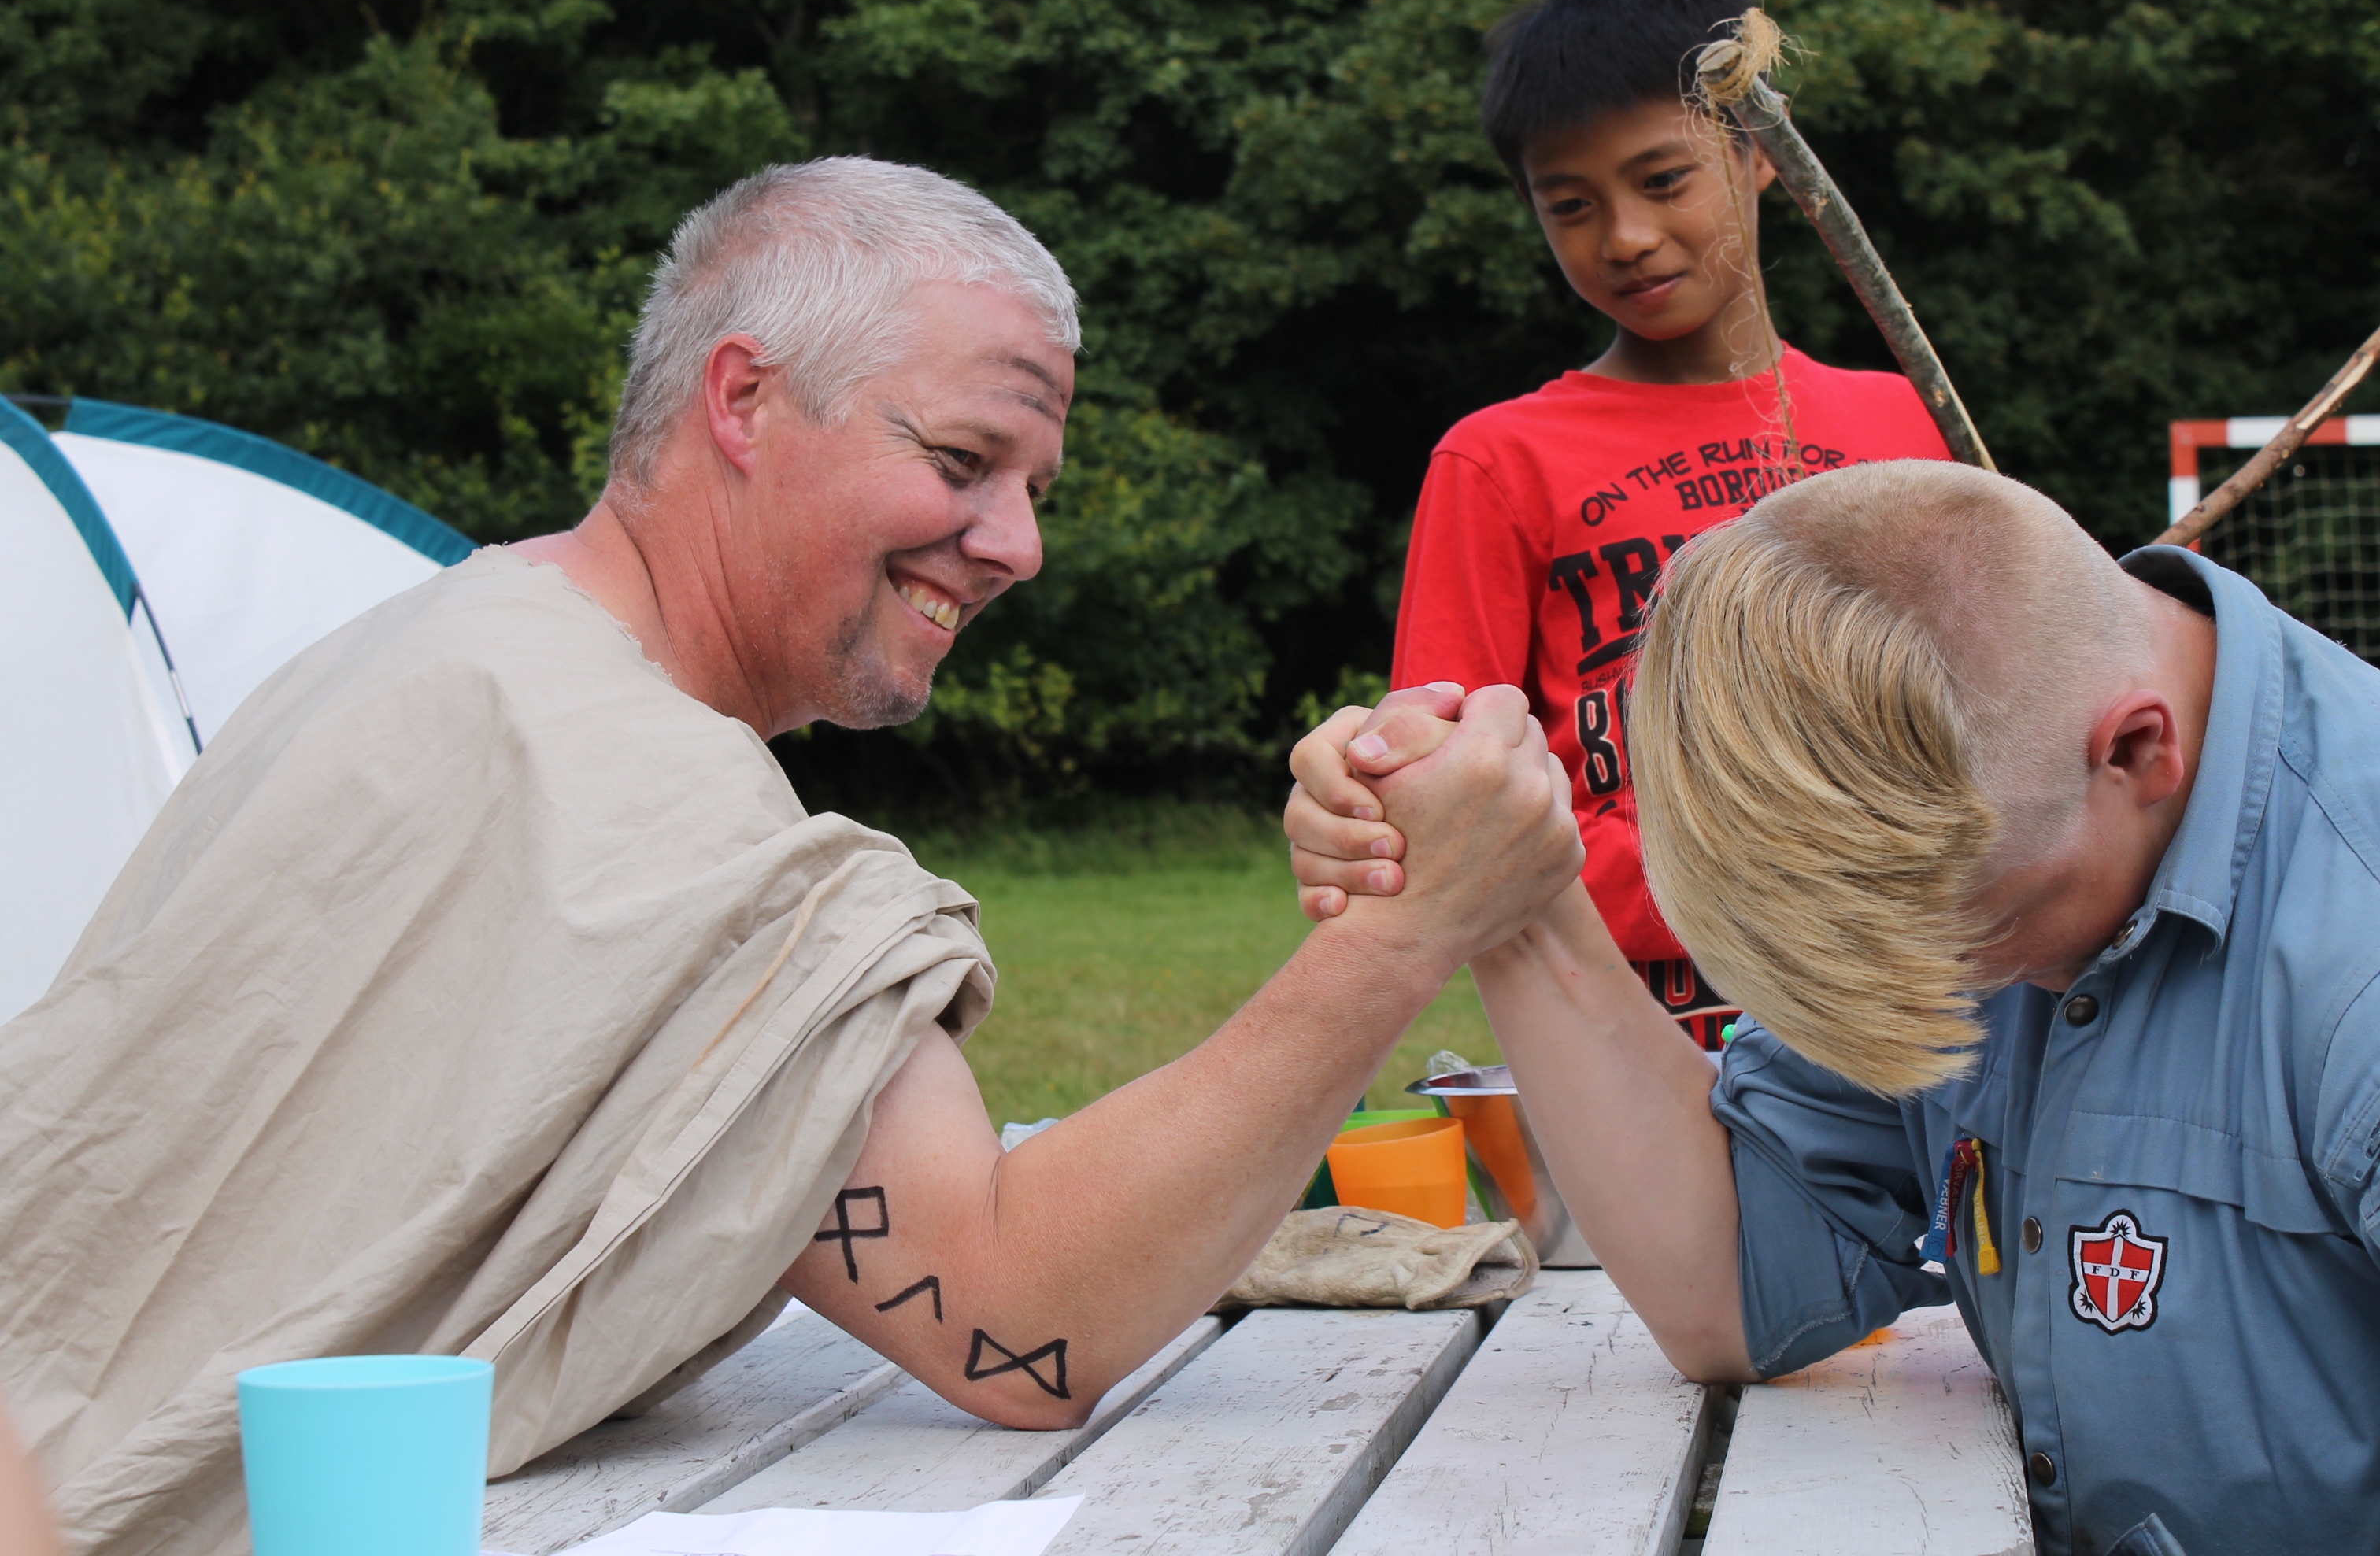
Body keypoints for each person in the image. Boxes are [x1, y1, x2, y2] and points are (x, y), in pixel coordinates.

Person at [0, 158, 1583, 1556]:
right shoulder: (639, 789)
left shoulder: (448, 644)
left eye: (1031, 486)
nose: (1018, 541)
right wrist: (1401, 931)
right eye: (964, 460)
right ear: (742, 400)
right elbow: (1022, 1316)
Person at [1290, 460, 2380, 1555]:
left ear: (2138, 753)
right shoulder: (1978, 810)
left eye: (1964, 939)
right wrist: (1513, 891)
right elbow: (1732, 1280)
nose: (1934, 987)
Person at [1385, 0, 1950, 1048]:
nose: (1626, 237)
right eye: (1572, 206)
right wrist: (1746, 877)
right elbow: (1448, 795)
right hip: (1628, 1043)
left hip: (1900, 1013)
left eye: (1662, 179)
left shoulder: (1899, 426)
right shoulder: (1500, 462)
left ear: (1759, 157)